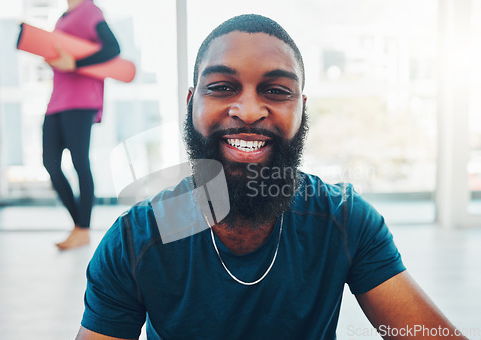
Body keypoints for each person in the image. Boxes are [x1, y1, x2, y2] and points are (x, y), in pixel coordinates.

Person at [75, 14, 467, 339]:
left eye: (277, 90)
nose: (248, 110)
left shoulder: (344, 220)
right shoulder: (137, 239)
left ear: (302, 109)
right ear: (191, 104)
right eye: (222, 87)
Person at [42, 0, 120, 250]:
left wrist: (75, 65)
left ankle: (82, 229)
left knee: (79, 161)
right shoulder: (63, 17)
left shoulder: (89, 11)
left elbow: (112, 48)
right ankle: (79, 225)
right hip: (57, 100)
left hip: (81, 99)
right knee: (50, 163)